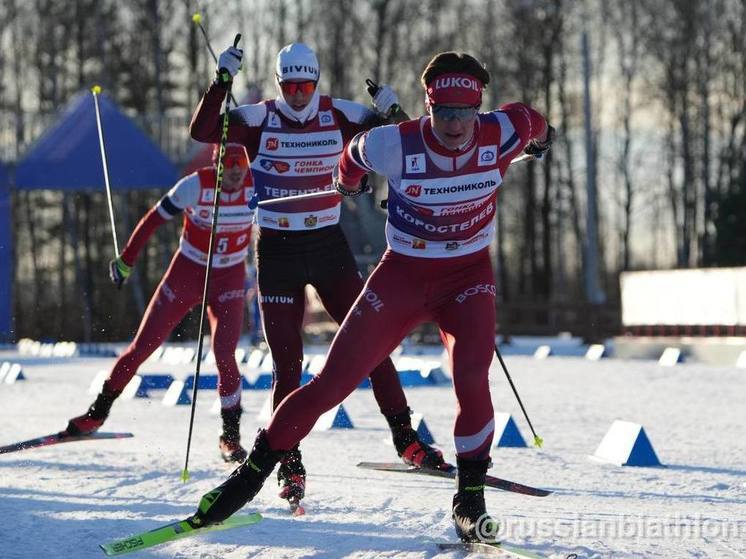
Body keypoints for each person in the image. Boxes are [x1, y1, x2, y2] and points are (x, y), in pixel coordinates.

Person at [186, 51, 555, 542]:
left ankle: (470, 499)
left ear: (479, 109)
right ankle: (248, 477)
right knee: (332, 383)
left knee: (471, 375)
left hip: (468, 277)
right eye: (442, 112)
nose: (454, 124)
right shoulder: (394, 144)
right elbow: (351, 155)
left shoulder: (505, 129)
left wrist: (542, 142)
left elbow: (536, 122)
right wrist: (347, 184)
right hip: (402, 276)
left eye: (464, 113)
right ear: (427, 107)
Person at [189, 42, 445, 506]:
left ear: (317, 82)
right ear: (278, 84)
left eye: (307, 85)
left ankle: (406, 439)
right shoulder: (258, 118)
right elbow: (203, 130)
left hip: (328, 247)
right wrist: (221, 81)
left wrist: (391, 109)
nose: (300, 95)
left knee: (371, 344)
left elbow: (409, 139)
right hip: (278, 252)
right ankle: (291, 465)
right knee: (288, 366)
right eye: (291, 86)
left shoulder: (341, 113)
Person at [65, 143, 256, 463]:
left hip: (229, 278)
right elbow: (153, 219)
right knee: (142, 347)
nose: (236, 173)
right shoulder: (195, 185)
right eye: (229, 166)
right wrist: (126, 260)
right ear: (217, 165)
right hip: (187, 272)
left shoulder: (257, 185)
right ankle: (96, 415)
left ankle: (230, 438)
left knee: (225, 355)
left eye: (241, 167)